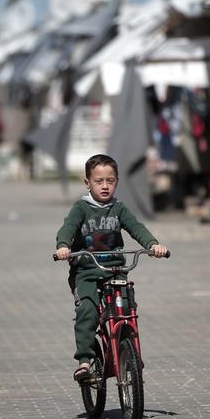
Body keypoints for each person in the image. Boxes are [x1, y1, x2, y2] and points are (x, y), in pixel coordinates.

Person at [55, 154, 168, 381]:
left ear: (117, 181)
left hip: (115, 271)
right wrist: (63, 246)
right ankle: (85, 361)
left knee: (127, 309)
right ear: (88, 183)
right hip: (85, 272)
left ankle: (131, 353)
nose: (105, 186)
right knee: (87, 310)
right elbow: (68, 228)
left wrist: (153, 245)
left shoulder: (119, 208)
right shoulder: (81, 208)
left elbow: (136, 227)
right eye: (99, 181)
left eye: (110, 180)